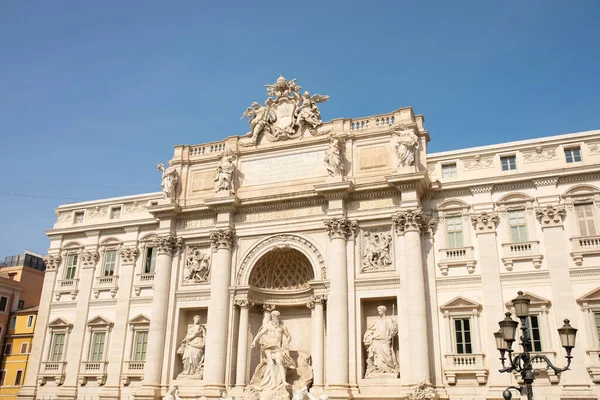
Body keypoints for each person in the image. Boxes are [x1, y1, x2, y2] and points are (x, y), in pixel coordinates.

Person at [249, 310, 296, 391]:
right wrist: (254, 341)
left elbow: (289, 336)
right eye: (274, 316)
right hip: (268, 347)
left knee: (279, 362)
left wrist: (286, 342)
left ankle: (283, 381)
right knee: (270, 364)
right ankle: (273, 383)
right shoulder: (268, 326)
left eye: (277, 316)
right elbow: (260, 334)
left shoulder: (282, 326)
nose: (275, 318)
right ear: (271, 317)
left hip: (278, 348)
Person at [363, 306, 399, 376]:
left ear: (384, 311)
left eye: (380, 311)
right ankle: (378, 369)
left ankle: (389, 368)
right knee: (377, 356)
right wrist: (368, 336)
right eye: (378, 311)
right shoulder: (377, 321)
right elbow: (370, 330)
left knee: (387, 354)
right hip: (377, 340)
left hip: (385, 340)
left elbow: (393, 330)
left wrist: (393, 328)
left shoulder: (388, 320)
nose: (379, 312)